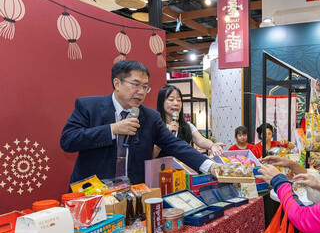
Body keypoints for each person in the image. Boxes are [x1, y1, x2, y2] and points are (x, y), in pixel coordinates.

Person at [60, 60, 218, 186]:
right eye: (136, 85)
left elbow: (175, 145)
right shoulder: (88, 106)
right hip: (93, 194)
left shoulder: (150, 117)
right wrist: (112, 129)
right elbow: (68, 140)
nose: (141, 91)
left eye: (145, 87)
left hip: (133, 193)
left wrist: (209, 165)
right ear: (117, 83)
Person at [154, 85, 225, 157]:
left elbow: (200, 140)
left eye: (179, 100)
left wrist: (212, 145)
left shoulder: (187, 126)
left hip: (182, 167)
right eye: (171, 100)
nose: (176, 103)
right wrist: (165, 135)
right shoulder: (154, 126)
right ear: (161, 102)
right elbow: (150, 155)